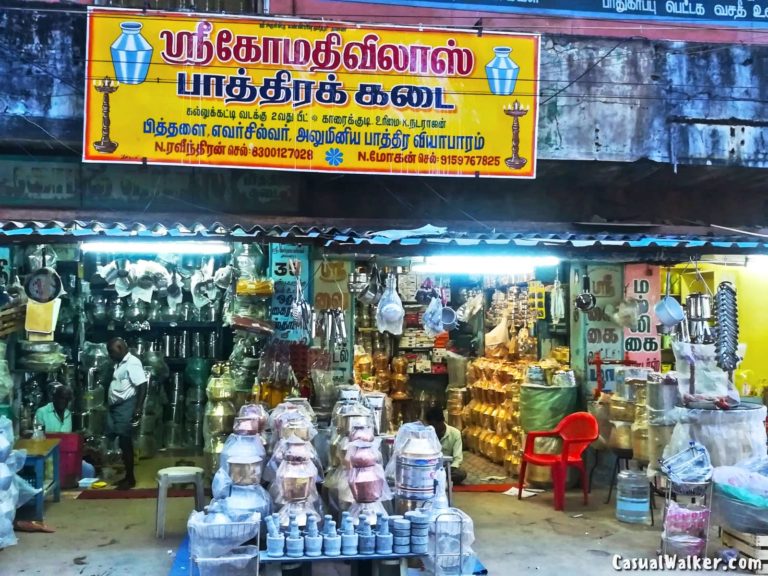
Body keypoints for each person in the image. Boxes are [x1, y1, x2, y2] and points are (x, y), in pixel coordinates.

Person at [106, 337, 147, 490]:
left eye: (111, 351)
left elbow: (142, 385)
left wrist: (138, 408)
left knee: (125, 442)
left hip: (126, 407)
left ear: (120, 349)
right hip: (116, 408)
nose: (110, 355)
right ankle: (127, 476)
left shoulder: (132, 362)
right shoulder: (119, 364)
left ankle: (130, 479)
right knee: (121, 442)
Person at [424, 406, 467, 485]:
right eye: (430, 425)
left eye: (434, 425)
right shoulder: (426, 433)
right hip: (429, 467)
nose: (432, 428)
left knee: (461, 474)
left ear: (442, 421)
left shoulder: (455, 433)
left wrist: (447, 470)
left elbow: (457, 459)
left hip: (447, 468)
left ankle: (436, 478)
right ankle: (438, 478)